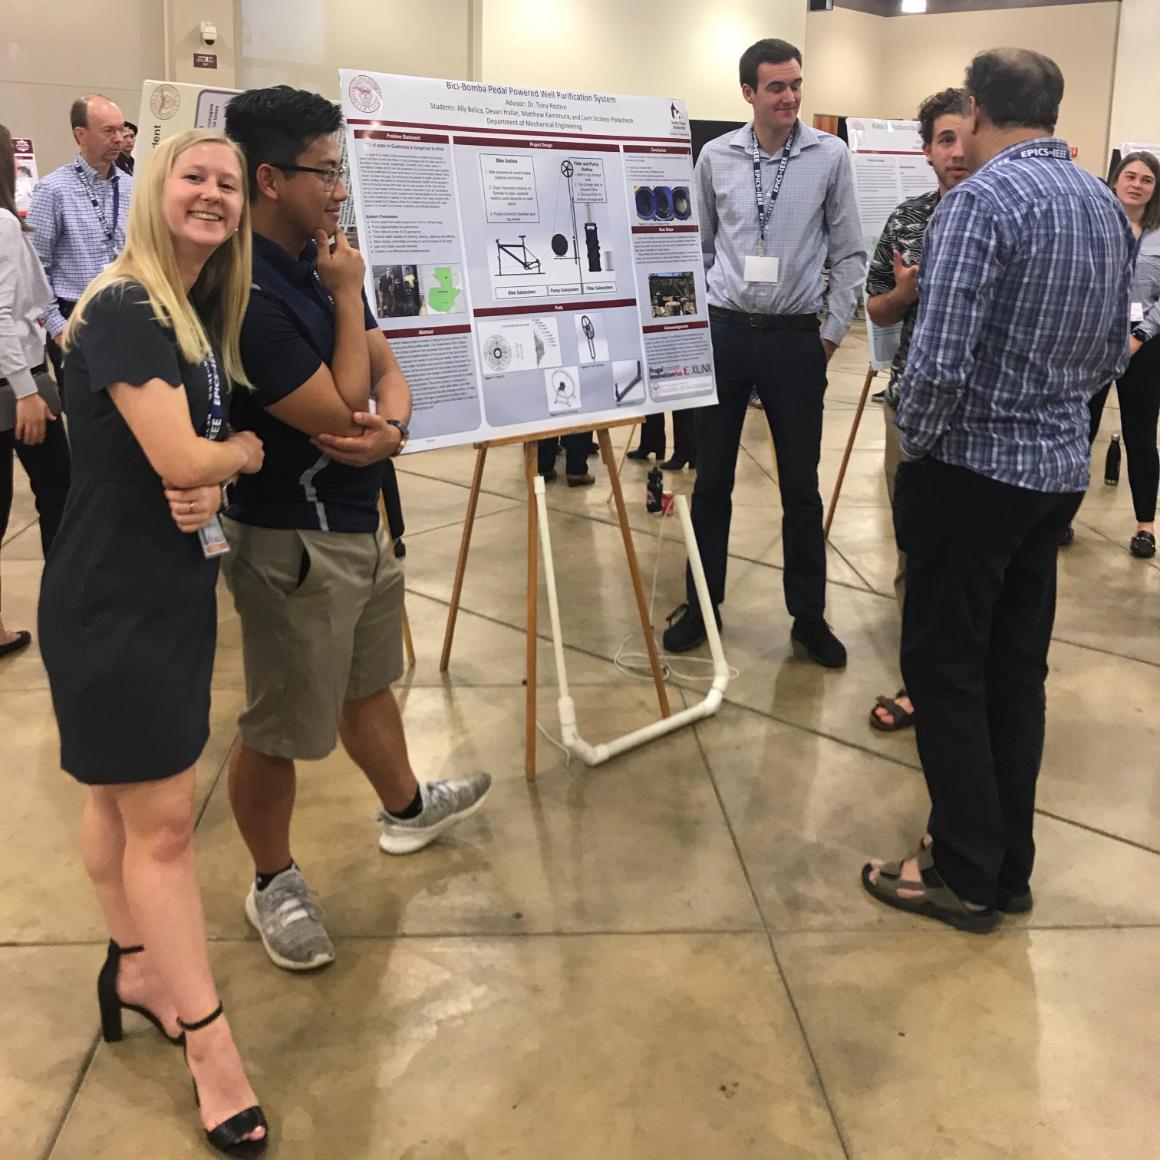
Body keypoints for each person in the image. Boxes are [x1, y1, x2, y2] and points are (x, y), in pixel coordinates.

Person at [863, 49, 1134, 932]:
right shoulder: (1101, 200)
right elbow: (1108, 349)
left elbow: (937, 363)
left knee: (943, 671)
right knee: (1015, 673)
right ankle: (1007, 866)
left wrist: (922, 449)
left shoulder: (979, 203)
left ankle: (966, 872)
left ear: (976, 111)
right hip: (1053, 478)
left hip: (971, 475)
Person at [37, 129, 270, 1155]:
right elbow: (178, 449)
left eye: (227, 184)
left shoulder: (189, 308)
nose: (213, 195)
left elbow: (183, 461)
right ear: (154, 189)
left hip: (160, 584)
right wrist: (242, 452)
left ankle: (133, 965)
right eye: (194, 176)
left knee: (115, 796)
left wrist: (210, 474)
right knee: (165, 821)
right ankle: (211, 1049)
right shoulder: (130, 304)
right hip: (112, 594)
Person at [223, 86, 492, 973]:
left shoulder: (319, 258)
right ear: (269, 178)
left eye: (340, 171)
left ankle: (407, 808)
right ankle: (271, 882)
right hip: (290, 539)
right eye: (325, 172)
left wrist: (396, 429)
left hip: (357, 517)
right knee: (280, 725)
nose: (339, 189)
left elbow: (384, 370)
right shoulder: (247, 289)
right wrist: (347, 302)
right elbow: (337, 403)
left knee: (367, 684)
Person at [662, 37, 866, 667]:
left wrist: (829, 335)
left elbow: (850, 252)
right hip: (724, 332)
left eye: (796, 84)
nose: (790, 97)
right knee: (712, 480)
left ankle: (808, 615)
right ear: (748, 93)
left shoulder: (830, 156)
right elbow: (696, 249)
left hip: (795, 339)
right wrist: (693, 326)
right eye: (776, 87)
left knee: (801, 488)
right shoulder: (715, 156)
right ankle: (702, 603)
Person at [864, 88, 969, 731]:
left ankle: (967, 675)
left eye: (966, 137)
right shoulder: (907, 218)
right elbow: (873, 307)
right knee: (915, 548)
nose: (957, 153)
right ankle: (920, 679)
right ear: (926, 149)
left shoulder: (1007, 214)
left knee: (975, 558)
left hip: (983, 421)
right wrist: (901, 295)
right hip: (911, 409)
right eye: (944, 140)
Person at [0, 123, 71, 658]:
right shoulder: (2, 223)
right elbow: (2, 311)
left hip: (15, 377)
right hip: (16, 382)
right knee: (59, 495)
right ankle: (70, 605)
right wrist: (26, 390)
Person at [26, 95, 132, 392]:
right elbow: (36, 269)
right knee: (89, 415)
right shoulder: (53, 190)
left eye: (121, 130)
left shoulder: (130, 187)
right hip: (76, 315)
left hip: (126, 312)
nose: (119, 139)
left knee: (129, 413)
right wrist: (58, 329)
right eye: (109, 131)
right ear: (80, 134)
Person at [1083, 151, 1160, 558]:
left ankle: (1145, 526)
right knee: (1081, 430)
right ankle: (1058, 518)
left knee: (1141, 437)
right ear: (1115, 181)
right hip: (1096, 343)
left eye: (1146, 179)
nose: (1136, 184)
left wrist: (1140, 335)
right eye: (1130, 176)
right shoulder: (1095, 227)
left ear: (1154, 189)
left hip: (1145, 348)